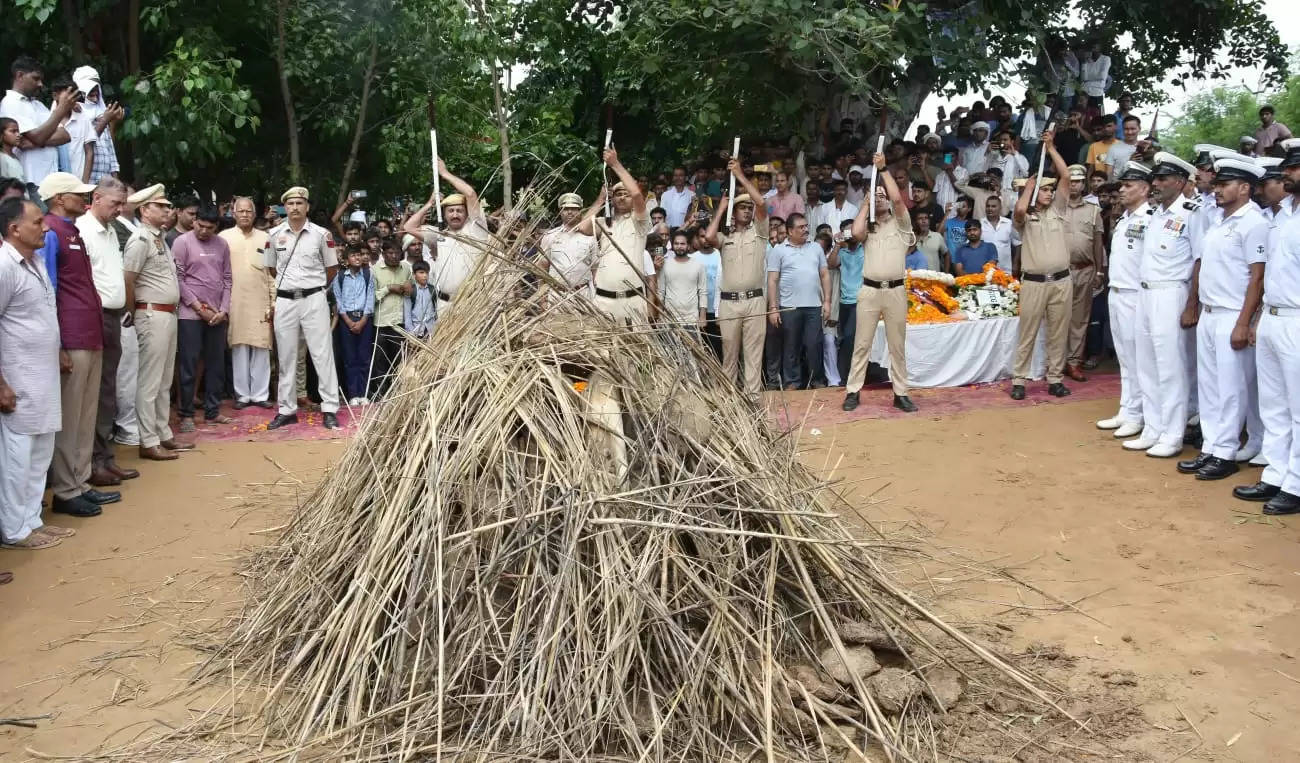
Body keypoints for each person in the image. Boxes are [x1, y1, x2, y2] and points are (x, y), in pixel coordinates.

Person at [1174, 157, 1268, 481]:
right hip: (1210, 313)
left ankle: (1225, 452)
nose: (1217, 190)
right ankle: (1212, 447)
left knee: (1231, 389)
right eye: (1217, 185)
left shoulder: (1253, 222)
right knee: (1211, 387)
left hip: (1232, 314)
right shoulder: (1219, 220)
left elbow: (1257, 278)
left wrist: (1244, 322)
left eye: (1224, 185)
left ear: (1244, 188)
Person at [37, 172, 122, 516]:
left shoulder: (71, 229)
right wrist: (56, 343)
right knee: (70, 417)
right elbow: (47, 289)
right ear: (59, 198)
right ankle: (65, 489)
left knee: (86, 415)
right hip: (71, 334)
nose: (84, 199)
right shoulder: (50, 232)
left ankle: (81, 481)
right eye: (77, 194)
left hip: (90, 331)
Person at [1, 197, 79, 550]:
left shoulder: (33, 261)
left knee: (40, 451)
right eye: (37, 222)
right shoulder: (4, 265)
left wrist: (59, 348)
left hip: (43, 375)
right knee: (18, 457)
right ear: (14, 228)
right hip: (18, 379)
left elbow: (43, 313)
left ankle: (32, 521)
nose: (45, 227)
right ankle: (15, 530)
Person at [1234, 139, 1300, 513]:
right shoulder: (1281, 215)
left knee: (1298, 408)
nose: (1286, 174)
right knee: (1273, 405)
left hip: (1298, 320)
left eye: (1293, 168)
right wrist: (1259, 317)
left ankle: (1297, 483)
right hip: (1274, 317)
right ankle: (1276, 473)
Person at [1123, 152, 1202, 459]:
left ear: (1180, 182)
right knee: (1147, 364)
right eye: (1154, 178)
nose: (1155, 183)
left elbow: (1199, 261)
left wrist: (1191, 303)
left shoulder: (1191, 213)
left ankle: (1172, 433)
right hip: (1145, 293)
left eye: (1162, 179)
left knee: (1170, 367)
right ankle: (1153, 428)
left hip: (1172, 294)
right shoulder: (1154, 213)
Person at [122, 184, 193, 460]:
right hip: (151, 314)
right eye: (160, 206)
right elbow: (128, 279)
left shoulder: (158, 238)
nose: (167, 210)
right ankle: (148, 440)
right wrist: (132, 313)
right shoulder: (140, 239)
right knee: (150, 382)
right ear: (144, 210)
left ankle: (163, 434)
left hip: (167, 314)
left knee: (164, 380)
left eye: (166, 206)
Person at [841, 152, 916, 413]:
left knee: (897, 345)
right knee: (862, 343)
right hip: (870, 290)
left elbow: (897, 198)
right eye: (878, 196)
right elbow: (856, 232)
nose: (882, 198)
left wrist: (883, 170)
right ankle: (853, 391)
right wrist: (865, 204)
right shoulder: (868, 228)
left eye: (883, 195)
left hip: (895, 289)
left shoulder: (902, 223)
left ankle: (901, 393)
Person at [76, 177, 137, 488]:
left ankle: (105, 458)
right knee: (96, 392)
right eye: (115, 203)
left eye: (122, 203)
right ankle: (92, 462)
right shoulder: (83, 231)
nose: (120, 209)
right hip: (94, 318)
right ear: (96, 198)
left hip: (113, 316)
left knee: (108, 390)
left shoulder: (112, 230)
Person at [265, 186, 341, 431]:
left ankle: (329, 408)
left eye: (300, 203)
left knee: (322, 354)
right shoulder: (274, 234)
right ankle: (286, 410)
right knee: (286, 356)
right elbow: (271, 268)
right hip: (286, 300)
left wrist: (312, 287)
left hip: (314, 298)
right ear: (284, 207)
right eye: (290, 204)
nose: (295, 207)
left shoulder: (321, 234)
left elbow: (331, 269)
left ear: (307, 207)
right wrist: (291, 287)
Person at [1010, 128, 1073, 401]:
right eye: (1044, 190)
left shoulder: (1058, 209)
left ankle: (1055, 378)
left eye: (1050, 189)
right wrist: (1028, 188)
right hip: (1034, 282)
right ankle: (1019, 379)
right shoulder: (1026, 216)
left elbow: (1067, 176)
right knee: (1028, 333)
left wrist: (1051, 149)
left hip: (1061, 280)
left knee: (1058, 333)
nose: (1049, 193)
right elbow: (1020, 211)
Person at [1095, 163, 1153, 438]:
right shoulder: (1125, 218)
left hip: (1136, 295)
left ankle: (1140, 415)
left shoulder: (1151, 218)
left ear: (1144, 189)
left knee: (1140, 359)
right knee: (1126, 359)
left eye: (1128, 185)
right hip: (1117, 292)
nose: (1121, 189)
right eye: (1122, 185)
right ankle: (1128, 410)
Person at [703, 160, 768, 400]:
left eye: (749, 209)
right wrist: (721, 209)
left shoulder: (760, 233)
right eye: (742, 208)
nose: (748, 211)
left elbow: (761, 202)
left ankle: (752, 398)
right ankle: (728, 399)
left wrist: (740, 176)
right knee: (729, 353)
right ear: (734, 212)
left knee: (753, 354)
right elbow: (708, 236)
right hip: (729, 303)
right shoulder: (724, 237)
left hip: (754, 301)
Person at [173, 204, 233, 431]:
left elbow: (228, 278)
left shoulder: (222, 244)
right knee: (188, 363)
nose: (204, 231)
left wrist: (224, 310)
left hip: (217, 314)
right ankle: (186, 413)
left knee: (215, 364)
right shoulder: (182, 242)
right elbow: (177, 279)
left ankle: (212, 411)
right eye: (200, 225)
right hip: (190, 314)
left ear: (216, 227)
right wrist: (197, 306)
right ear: (194, 221)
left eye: (209, 228)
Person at [403, 160, 490, 316]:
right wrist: (429, 204)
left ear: (466, 213)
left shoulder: (476, 230)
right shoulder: (439, 235)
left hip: (471, 303)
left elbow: (470, 194)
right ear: (444, 214)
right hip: (444, 305)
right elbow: (409, 227)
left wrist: (445, 174)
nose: (455, 214)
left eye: (459, 210)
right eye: (451, 211)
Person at [583, 148, 656, 324]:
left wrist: (615, 164)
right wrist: (601, 200)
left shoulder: (639, 221)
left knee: (636, 351)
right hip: (604, 302)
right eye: (618, 194)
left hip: (633, 301)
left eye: (626, 194)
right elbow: (583, 227)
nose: (623, 197)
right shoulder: (604, 221)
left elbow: (637, 193)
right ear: (612, 199)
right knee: (604, 352)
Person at [220, 197, 274, 409]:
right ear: (233, 214)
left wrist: (273, 300)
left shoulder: (265, 238)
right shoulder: (223, 238)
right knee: (239, 346)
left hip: (261, 299)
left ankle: (260, 395)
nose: (244, 215)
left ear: (254, 214)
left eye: (248, 211)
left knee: (261, 346)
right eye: (240, 211)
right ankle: (242, 395)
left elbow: (271, 272)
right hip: (235, 300)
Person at [767, 212, 830, 390]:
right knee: (791, 347)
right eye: (801, 227)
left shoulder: (816, 248)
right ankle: (792, 382)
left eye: (806, 226)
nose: (805, 230)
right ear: (789, 231)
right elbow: (772, 280)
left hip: (814, 306)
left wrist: (827, 302)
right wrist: (773, 307)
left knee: (813, 345)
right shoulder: (778, 250)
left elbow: (825, 275)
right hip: (789, 306)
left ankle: (817, 380)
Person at [0, 57, 76, 189]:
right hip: (30, 181)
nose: (40, 84)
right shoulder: (9, 103)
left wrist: (32, 141)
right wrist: (60, 110)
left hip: (50, 181)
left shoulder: (39, 105)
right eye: (36, 78)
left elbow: (64, 136)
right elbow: (38, 137)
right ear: (20, 75)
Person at [1061, 164, 1105, 381]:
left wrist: (1099, 272)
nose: (1074, 185)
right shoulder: (1055, 208)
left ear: (1083, 183)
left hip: (1085, 270)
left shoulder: (1094, 210)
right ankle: (1056, 361)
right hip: (1060, 271)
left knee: (1080, 318)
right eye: (1070, 181)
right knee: (1058, 317)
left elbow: (1098, 243)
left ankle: (1073, 361)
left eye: (1078, 181)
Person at [332, 245, 374, 405]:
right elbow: (338, 300)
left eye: (360, 255)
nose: (358, 258)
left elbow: (370, 298)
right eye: (354, 255)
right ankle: (352, 395)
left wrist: (363, 320)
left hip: (364, 318)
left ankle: (363, 393)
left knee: (364, 357)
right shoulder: (340, 276)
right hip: (346, 319)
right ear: (346, 260)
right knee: (350, 358)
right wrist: (348, 321)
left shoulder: (368, 275)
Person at [371, 237, 411, 398]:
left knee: (399, 361)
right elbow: (370, 298)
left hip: (400, 322)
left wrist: (410, 288)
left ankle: (397, 394)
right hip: (381, 322)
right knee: (380, 361)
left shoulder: (407, 268)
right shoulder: (374, 270)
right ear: (383, 253)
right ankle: (381, 394)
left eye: (397, 253)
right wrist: (388, 289)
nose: (394, 256)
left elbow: (412, 290)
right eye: (390, 253)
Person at [538, 192, 598, 291]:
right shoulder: (550, 236)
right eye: (565, 209)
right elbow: (542, 268)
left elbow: (595, 269)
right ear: (560, 211)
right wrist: (542, 298)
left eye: (574, 209)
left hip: (583, 293)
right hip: (556, 294)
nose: (570, 212)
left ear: (580, 211)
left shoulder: (589, 236)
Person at [657, 229, 707, 333]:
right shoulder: (665, 264)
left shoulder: (699, 265)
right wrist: (660, 315)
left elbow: (703, 292)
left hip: (692, 320)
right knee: (670, 349)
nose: (679, 246)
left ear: (688, 246)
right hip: (669, 319)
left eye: (682, 244)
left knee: (692, 349)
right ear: (672, 245)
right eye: (676, 243)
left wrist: (703, 317)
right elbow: (661, 292)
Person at [689, 229, 722, 360]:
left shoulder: (720, 254)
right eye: (702, 236)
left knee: (718, 346)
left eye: (709, 236)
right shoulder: (692, 258)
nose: (706, 239)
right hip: (699, 310)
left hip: (718, 309)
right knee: (702, 346)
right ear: (697, 238)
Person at [980, 196, 1015, 271]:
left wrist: (1016, 264)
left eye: (993, 206)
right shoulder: (979, 224)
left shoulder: (1009, 223)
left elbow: (1017, 244)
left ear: (1000, 208)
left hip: (1005, 270)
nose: (990, 209)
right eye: (988, 206)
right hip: (984, 271)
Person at [403, 260, 437, 339]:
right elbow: (407, 315)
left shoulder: (432, 289)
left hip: (431, 330)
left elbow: (435, 310)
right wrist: (411, 333)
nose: (425, 275)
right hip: (416, 330)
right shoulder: (411, 290)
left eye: (426, 273)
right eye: (421, 272)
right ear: (414, 275)